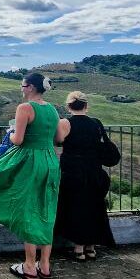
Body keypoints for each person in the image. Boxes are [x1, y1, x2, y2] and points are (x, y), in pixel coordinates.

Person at [0, 72, 65, 279]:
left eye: (23, 85)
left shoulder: (25, 108)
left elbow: (18, 140)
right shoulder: (52, 109)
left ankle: (29, 265)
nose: (21, 88)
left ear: (30, 87)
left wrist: (10, 132)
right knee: (47, 209)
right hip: (50, 162)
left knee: (28, 210)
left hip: (29, 162)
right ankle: (44, 265)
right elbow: (59, 138)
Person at [54, 91, 116, 260]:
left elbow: (58, 141)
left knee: (76, 208)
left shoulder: (65, 123)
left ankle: (79, 250)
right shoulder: (96, 123)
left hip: (73, 173)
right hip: (95, 171)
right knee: (94, 207)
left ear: (68, 106)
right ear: (86, 106)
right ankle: (91, 248)